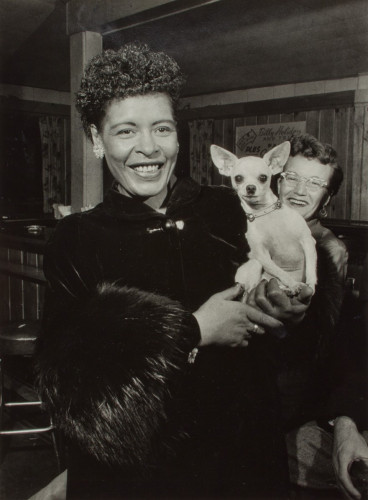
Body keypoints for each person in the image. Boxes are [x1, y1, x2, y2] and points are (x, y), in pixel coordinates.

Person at [36, 44, 312, 499]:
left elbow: (284, 344)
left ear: (178, 136)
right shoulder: (78, 238)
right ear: (96, 138)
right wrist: (193, 329)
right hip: (141, 475)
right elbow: (67, 380)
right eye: (126, 131)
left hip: (241, 457)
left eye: (161, 128)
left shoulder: (228, 210)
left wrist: (287, 310)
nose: (149, 148)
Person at [277, 134, 367, 498]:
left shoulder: (327, 249)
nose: (300, 190)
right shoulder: (255, 223)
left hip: (288, 391)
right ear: (277, 179)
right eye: (292, 177)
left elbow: (317, 344)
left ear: (327, 198)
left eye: (315, 183)